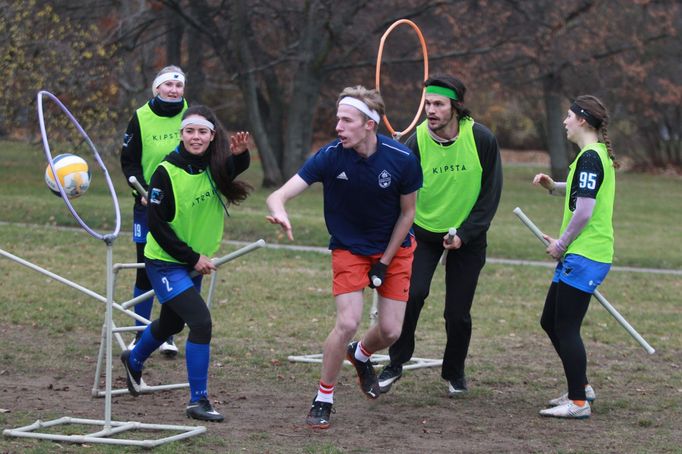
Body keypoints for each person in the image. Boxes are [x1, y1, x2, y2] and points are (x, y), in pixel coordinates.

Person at [266, 85, 422, 429]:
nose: (338, 126)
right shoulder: (330, 156)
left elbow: (408, 214)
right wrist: (280, 210)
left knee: (392, 331)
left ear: (370, 124)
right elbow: (279, 194)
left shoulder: (402, 159)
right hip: (349, 247)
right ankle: (324, 397)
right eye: (338, 119)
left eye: (346, 120)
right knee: (348, 322)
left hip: (394, 249)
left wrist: (385, 260)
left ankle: (361, 353)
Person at [121, 105, 252, 422]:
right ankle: (198, 400)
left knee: (171, 324)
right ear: (181, 134)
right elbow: (159, 228)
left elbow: (232, 171)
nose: (196, 137)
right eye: (190, 131)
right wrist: (193, 258)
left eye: (202, 131)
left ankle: (134, 358)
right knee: (201, 323)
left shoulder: (214, 165)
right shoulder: (165, 173)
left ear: (212, 136)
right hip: (165, 262)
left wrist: (241, 155)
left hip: (193, 261)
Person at [378, 74, 502, 397]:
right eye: (428, 103)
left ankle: (455, 372)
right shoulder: (416, 141)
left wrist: (464, 234)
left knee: (457, 313)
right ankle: (395, 362)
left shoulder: (482, 139)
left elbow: (490, 197)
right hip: (422, 232)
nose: (430, 110)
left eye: (438, 104)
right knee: (413, 295)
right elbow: (397, 190)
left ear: (456, 108)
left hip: (468, 236)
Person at [533, 95, 617, 419]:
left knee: (566, 327)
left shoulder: (591, 157)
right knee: (550, 321)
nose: (564, 121)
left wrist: (562, 244)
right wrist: (553, 186)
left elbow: (584, 211)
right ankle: (581, 386)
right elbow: (582, 191)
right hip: (583, 253)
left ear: (582, 120)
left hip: (586, 253)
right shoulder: (593, 156)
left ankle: (578, 402)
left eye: (568, 116)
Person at [120, 65, 189, 357]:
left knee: (177, 268)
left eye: (179, 85)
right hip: (147, 205)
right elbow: (129, 162)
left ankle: (168, 332)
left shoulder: (191, 115)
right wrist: (143, 192)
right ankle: (140, 332)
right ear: (156, 88)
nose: (174, 90)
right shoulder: (140, 117)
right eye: (168, 85)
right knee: (145, 270)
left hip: (182, 208)